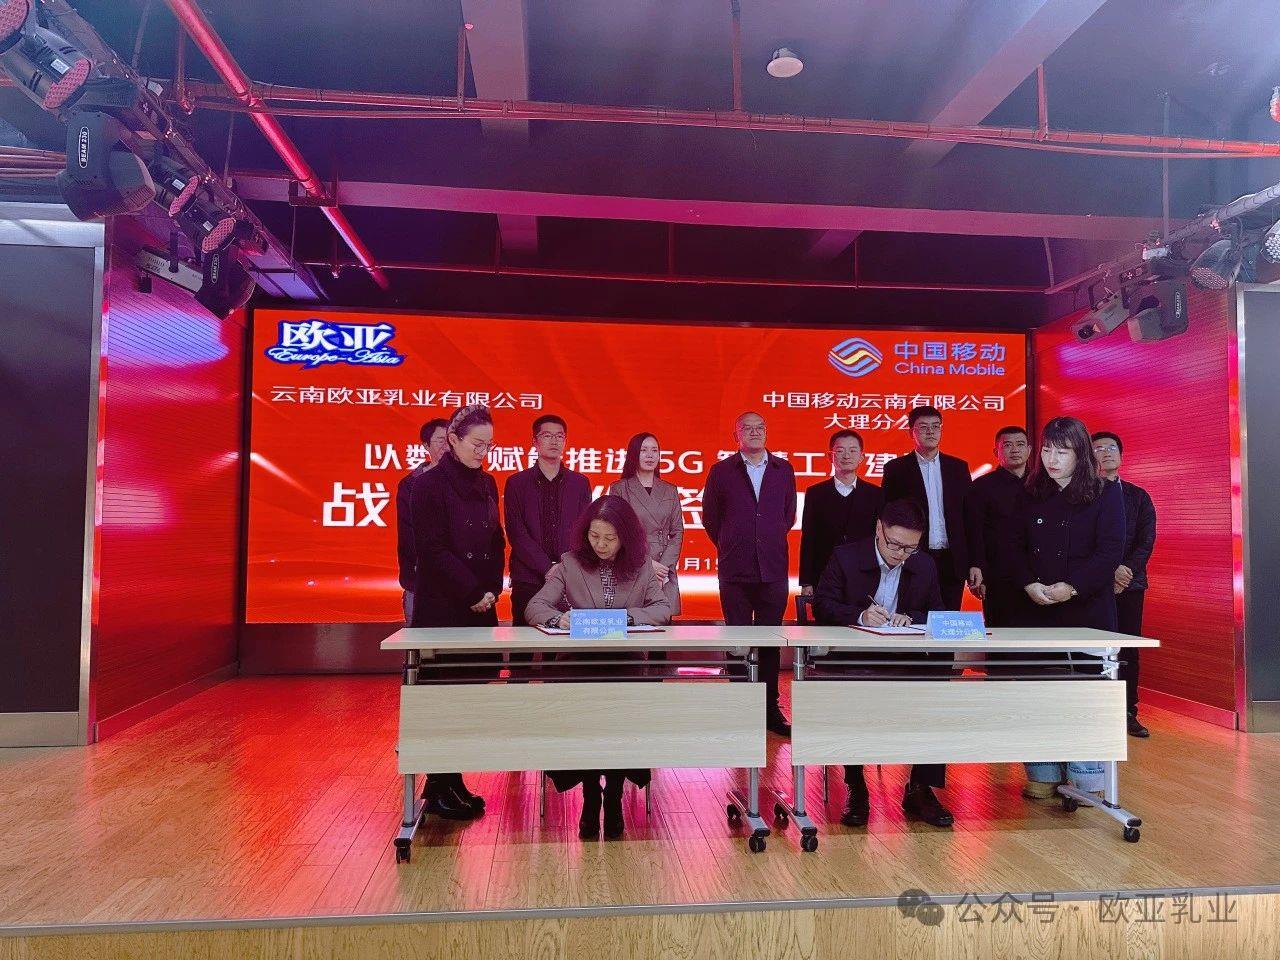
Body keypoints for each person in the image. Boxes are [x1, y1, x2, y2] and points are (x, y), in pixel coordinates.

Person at [524, 495, 671, 840]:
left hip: (625, 665)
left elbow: (663, 608)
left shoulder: (641, 566)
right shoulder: (570, 563)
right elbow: (535, 606)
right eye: (594, 536)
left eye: (609, 538)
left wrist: (628, 618)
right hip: (579, 665)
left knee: (620, 726)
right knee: (586, 726)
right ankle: (591, 797)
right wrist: (558, 619)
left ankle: (614, 796)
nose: (600, 545)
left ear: (625, 537)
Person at [813, 499, 954, 828]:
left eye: (910, 548)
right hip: (853, 658)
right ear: (879, 529)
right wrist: (860, 616)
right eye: (895, 545)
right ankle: (856, 785)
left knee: (938, 691)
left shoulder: (924, 565)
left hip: (904, 658)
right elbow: (822, 604)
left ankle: (920, 788)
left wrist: (912, 618)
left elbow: (938, 613)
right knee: (852, 692)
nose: (901, 554)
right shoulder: (846, 557)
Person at [1007, 416, 1125, 800]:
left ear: (1081, 454)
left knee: (1087, 694)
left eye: (1062, 452)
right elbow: (1012, 546)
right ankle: (1043, 772)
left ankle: (1087, 777)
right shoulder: (1029, 491)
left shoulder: (1104, 493)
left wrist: (1072, 587)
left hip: (1087, 608)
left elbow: (1110, 551)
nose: (1052, 459)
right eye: (1046, 450)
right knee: (1038, 690)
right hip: (1037, 606)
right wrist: (1028, 582)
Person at [409, 404, 506, 821]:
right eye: (476, 444)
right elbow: (432, 550)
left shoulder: (486, 483)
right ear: (452, 440)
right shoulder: (427, 486)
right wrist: (471, 591)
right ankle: (440, 784)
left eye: (489, 445)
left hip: (480, 604)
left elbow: (496, 539)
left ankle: (449, 782)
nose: (483, 452)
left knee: (468, 696)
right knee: (443, 697)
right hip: (445, 606)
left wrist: (492, 588)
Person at [702, 411, 797, 736]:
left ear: (766, 432)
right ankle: (740, 709)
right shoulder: (721, 471)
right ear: (736, 435)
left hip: (773, 569)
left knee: (770, 643)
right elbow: (711, 519)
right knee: (738, 641)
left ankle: (770, 710)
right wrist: (734, 543)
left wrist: (764, 541)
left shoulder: (783, 469)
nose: (754, 433)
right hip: (735, 570)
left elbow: (787, 516)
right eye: (747, 428)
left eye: (760, 428)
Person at [1093, 431, 1157, 738]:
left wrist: (1125, 571)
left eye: (1111, 448)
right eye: (1098, 449)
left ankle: (1128, 712)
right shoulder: (1081, 495)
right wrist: (1108, 572)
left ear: (1121, 454)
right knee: (1092, 650)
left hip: (1130, 585)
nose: (1106, 453)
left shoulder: (1138, 496)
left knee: (1128, 650)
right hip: (1092, 586)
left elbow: (1146, 540)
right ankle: (1094, 712)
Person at [882, 407, 979, 610]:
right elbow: (888, 517)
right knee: (912, 617)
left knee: (948, 619)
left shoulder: (958, 468)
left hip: (952, 560)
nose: (930, 432)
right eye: (923, 427)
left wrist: (975, 562)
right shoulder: (896, 469)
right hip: (913, 557)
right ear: (911, 432)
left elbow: (970, 518)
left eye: (936, 427)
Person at [503, 414, 591, 626]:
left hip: (569, 576)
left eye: (559, 436)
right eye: (547, 435)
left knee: (565, 637)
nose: (554, 441)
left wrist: (564, 566)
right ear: (535, 441)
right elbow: (517, 533)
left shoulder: (580, 483)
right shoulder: (517, 483)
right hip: (528, 576)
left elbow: (585, 529)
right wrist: (546, 567)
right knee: (524, 638)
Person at [798, 429, 884, 607]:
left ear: (862, 457)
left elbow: (880, 538)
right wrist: (806, 581)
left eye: (852, 450)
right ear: (830, 456)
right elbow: (809, 538)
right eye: (840, 450)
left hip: (864, 574)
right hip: (825, 573)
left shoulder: (876, 494)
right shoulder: (816, 493)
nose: (846, 455)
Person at [609, 432, 684, 617]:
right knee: (632, 622)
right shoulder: (620, 488)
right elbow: (616, 532)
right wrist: (648, 564)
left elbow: (677, 532)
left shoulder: (670, 490)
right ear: (634, 454)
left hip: (663, 568)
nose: (650, 455)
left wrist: (663, 567)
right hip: (633, 563)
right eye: (644, 450)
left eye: (654, 450)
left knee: (662, 623)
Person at [963, 426, 1031, 628]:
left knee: (1039, 636)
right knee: (1001, 631)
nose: (1015, 449)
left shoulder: (1044, 484)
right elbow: (974, 531)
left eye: (1020, 444)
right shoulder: (981, 487)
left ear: (1029, 450)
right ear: (996, 452)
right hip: (998, 574)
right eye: (1007, 445)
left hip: (1038, 573)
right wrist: (976, 568)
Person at [395, 418, 449, 623]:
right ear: (426, 445)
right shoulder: (410, 485)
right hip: (421, 581)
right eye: (441, 441)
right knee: (420, 639)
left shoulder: (473, 481)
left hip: (462, 584)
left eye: (452, 440)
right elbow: (408, 535)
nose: (447, 447)